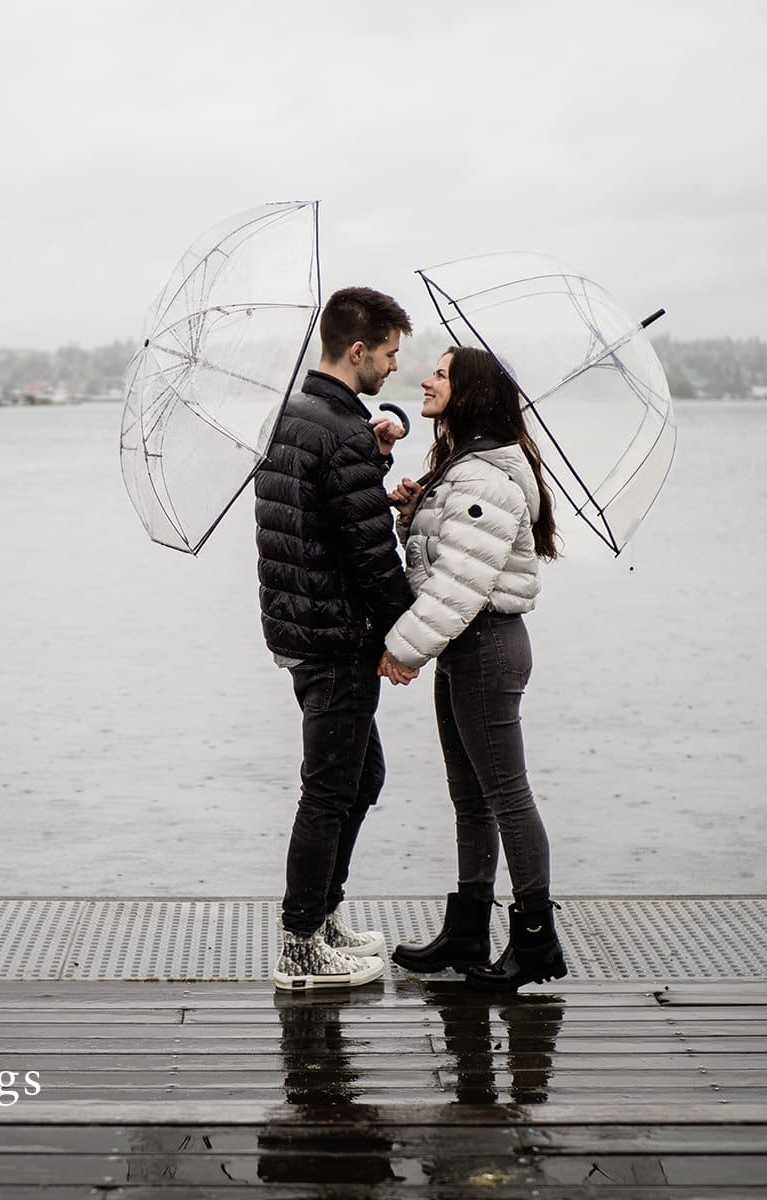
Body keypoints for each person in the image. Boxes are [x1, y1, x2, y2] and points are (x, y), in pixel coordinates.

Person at [379, 344, 567, 991]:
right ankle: (467, 931)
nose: (426, 380)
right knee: (470, 800)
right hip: (467, 645)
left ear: (472, 394)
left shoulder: (485, 478)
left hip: (484, 643)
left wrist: (402, 648)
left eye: (440, 373)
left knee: (506, 797)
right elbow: (444, 556)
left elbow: (461, 580)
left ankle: (536, 939)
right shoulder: (465, 467)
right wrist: (412, 511)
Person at [255, 286, 415, 990]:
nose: (393, 369)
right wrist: (410, 631)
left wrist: (370, 459)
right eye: (388, 355)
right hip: (336, 635)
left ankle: (321, 917)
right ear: (357, 350)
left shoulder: (293, 413)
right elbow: (371, 556)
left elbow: (323, 512)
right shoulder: (341, 428)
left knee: (362, 776)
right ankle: (299, 945)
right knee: (328, 791)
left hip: (296, 626)